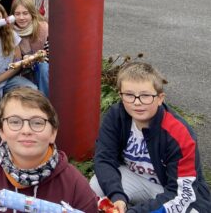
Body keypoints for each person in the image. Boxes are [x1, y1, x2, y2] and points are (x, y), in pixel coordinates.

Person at [90, 62, 211, 213]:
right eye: (129, 95)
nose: (137, 102)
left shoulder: (179, 133)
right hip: (137, 179)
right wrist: (117, 196)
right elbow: (104, 158)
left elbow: (181, 193)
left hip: (172, 189)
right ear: (120, 95)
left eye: (145, 96)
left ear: (160, 98)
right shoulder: (116, 116)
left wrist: (136, 211)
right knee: (96, 186)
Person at [0, 88, 99, 213]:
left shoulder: (75, 187)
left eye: (37, 122)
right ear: (1, 131)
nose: (26, 130)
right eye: (14, 122)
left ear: (53, 133)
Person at [11, 0, 50, 96]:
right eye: (17, 14)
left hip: (43, 70)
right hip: (22, 72)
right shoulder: (10, 32)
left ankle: (46, 102)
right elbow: (12, 62)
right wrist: (24, 59)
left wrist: (36, 59)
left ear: (32, 14)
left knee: (43, 67)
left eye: (25, 13)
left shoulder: (43, 28)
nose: (21, 17)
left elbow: (51, 53)